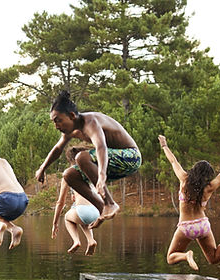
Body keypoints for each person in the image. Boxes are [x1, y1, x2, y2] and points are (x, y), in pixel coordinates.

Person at [35, 90, 142, 228]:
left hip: (131, 157)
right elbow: (57, 149)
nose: (56, 126)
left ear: (72, 116)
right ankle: (101, 207)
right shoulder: (71, 130)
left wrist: (102, 176)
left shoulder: (90, 122)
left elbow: (101, 147)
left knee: (82, 157)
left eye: (58, 120)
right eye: (54, 122)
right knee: (68, 175)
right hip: (113, 161)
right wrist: (43, 168)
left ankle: (110, 203)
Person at [159, 135, 220, 270]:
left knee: (171, 257)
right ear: (207, 175)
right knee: (213, 258)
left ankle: (186, 256)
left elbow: (173, 161)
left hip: (186, 227)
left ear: (194, 170)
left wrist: (164, 146)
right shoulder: (209, 187)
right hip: (202, 225)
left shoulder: (184, 180)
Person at [52, 145, 100, 255]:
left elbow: (60, 202)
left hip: (84, 211)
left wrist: (55, 223)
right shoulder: (91, 171)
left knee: (68, 218)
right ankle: (91, 240)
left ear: (71, 160)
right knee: (80, 216)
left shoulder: (68, 174)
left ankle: (76, 241)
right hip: (97, 211)